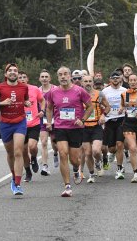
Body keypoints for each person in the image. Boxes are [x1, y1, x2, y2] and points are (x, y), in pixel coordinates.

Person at [45, 66, 93, 197]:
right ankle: (67, 186)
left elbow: (90, 107)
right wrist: (49, 122)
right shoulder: (53, 92)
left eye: (65, 74)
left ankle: (76, 170)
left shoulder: (79, 91)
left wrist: (82, 120)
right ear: (57, 77)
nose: (63, 76)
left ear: (70, 75)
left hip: (75, 128)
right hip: (60, 127)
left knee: (74, 159)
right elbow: (49, 108)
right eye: (60, 74)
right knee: (62, 153)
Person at [0, 63, 31, 195]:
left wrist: (26, 103)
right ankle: (13, 176)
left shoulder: (24, 87)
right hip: (5, 123)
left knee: (18, 151)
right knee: (10, 153)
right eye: (10, 70)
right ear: (6, 74)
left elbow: (25, 100)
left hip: (20, 121)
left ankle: (17, 184)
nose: (13, 72)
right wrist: (1, 103)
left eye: (15, 70)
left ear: (18, 74)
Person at [81, 75, 110, 183]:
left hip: (96, 126)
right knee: (88, 153)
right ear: (82, 83)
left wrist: (103, 116)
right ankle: (92, 174)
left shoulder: (99, 94)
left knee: (96, 150)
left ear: (93, 82)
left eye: (89, 81)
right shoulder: (78, 94)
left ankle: (98, 161)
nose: (88, 83)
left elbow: (108, 107)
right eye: (85, 81)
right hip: (83, 127)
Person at [18, 71, 45, 182]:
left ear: (27, 79)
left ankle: (33, 158)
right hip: (20, 124)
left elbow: (42, 100)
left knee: (32, 146)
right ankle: (28, 172)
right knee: (24, 151)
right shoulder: (14, 91)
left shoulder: (34, 89)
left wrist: (42, 110)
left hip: (34, 123)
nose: (22, 79)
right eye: (20, 77)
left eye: (24, 77)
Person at [119, 74, 137, 183]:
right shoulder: (124, 94)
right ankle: (135, 173)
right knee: (132, 148)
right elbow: (122, 105)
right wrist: (121, 109)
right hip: (128, 123)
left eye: (135, 80)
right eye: (131, 80)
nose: (133, 82)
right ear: (128, 82)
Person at [102, 70, 127, 179]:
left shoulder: (125, 91)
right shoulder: (104, 91)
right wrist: (102, 112)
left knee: (120, 144)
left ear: (121, 79)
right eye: (113, 78)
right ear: (110, 80)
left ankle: (120, 168)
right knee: (111, 148)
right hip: (109, 121)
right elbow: (99, 104)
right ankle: (111, 153)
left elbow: (130, 104)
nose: (115, 80)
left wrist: (124, 108)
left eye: (117, 78)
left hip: (121, 120)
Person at [38, 69, 58, 175]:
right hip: (43, 119)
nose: (44, 78)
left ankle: (55, 153)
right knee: (44, 142)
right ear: (39, 79)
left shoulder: (55, 89)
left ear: (50, 78)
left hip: (55, 118)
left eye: (46, 77)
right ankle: (45, 166)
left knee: (55, 142)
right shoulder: (37, 90)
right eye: (42, 77)